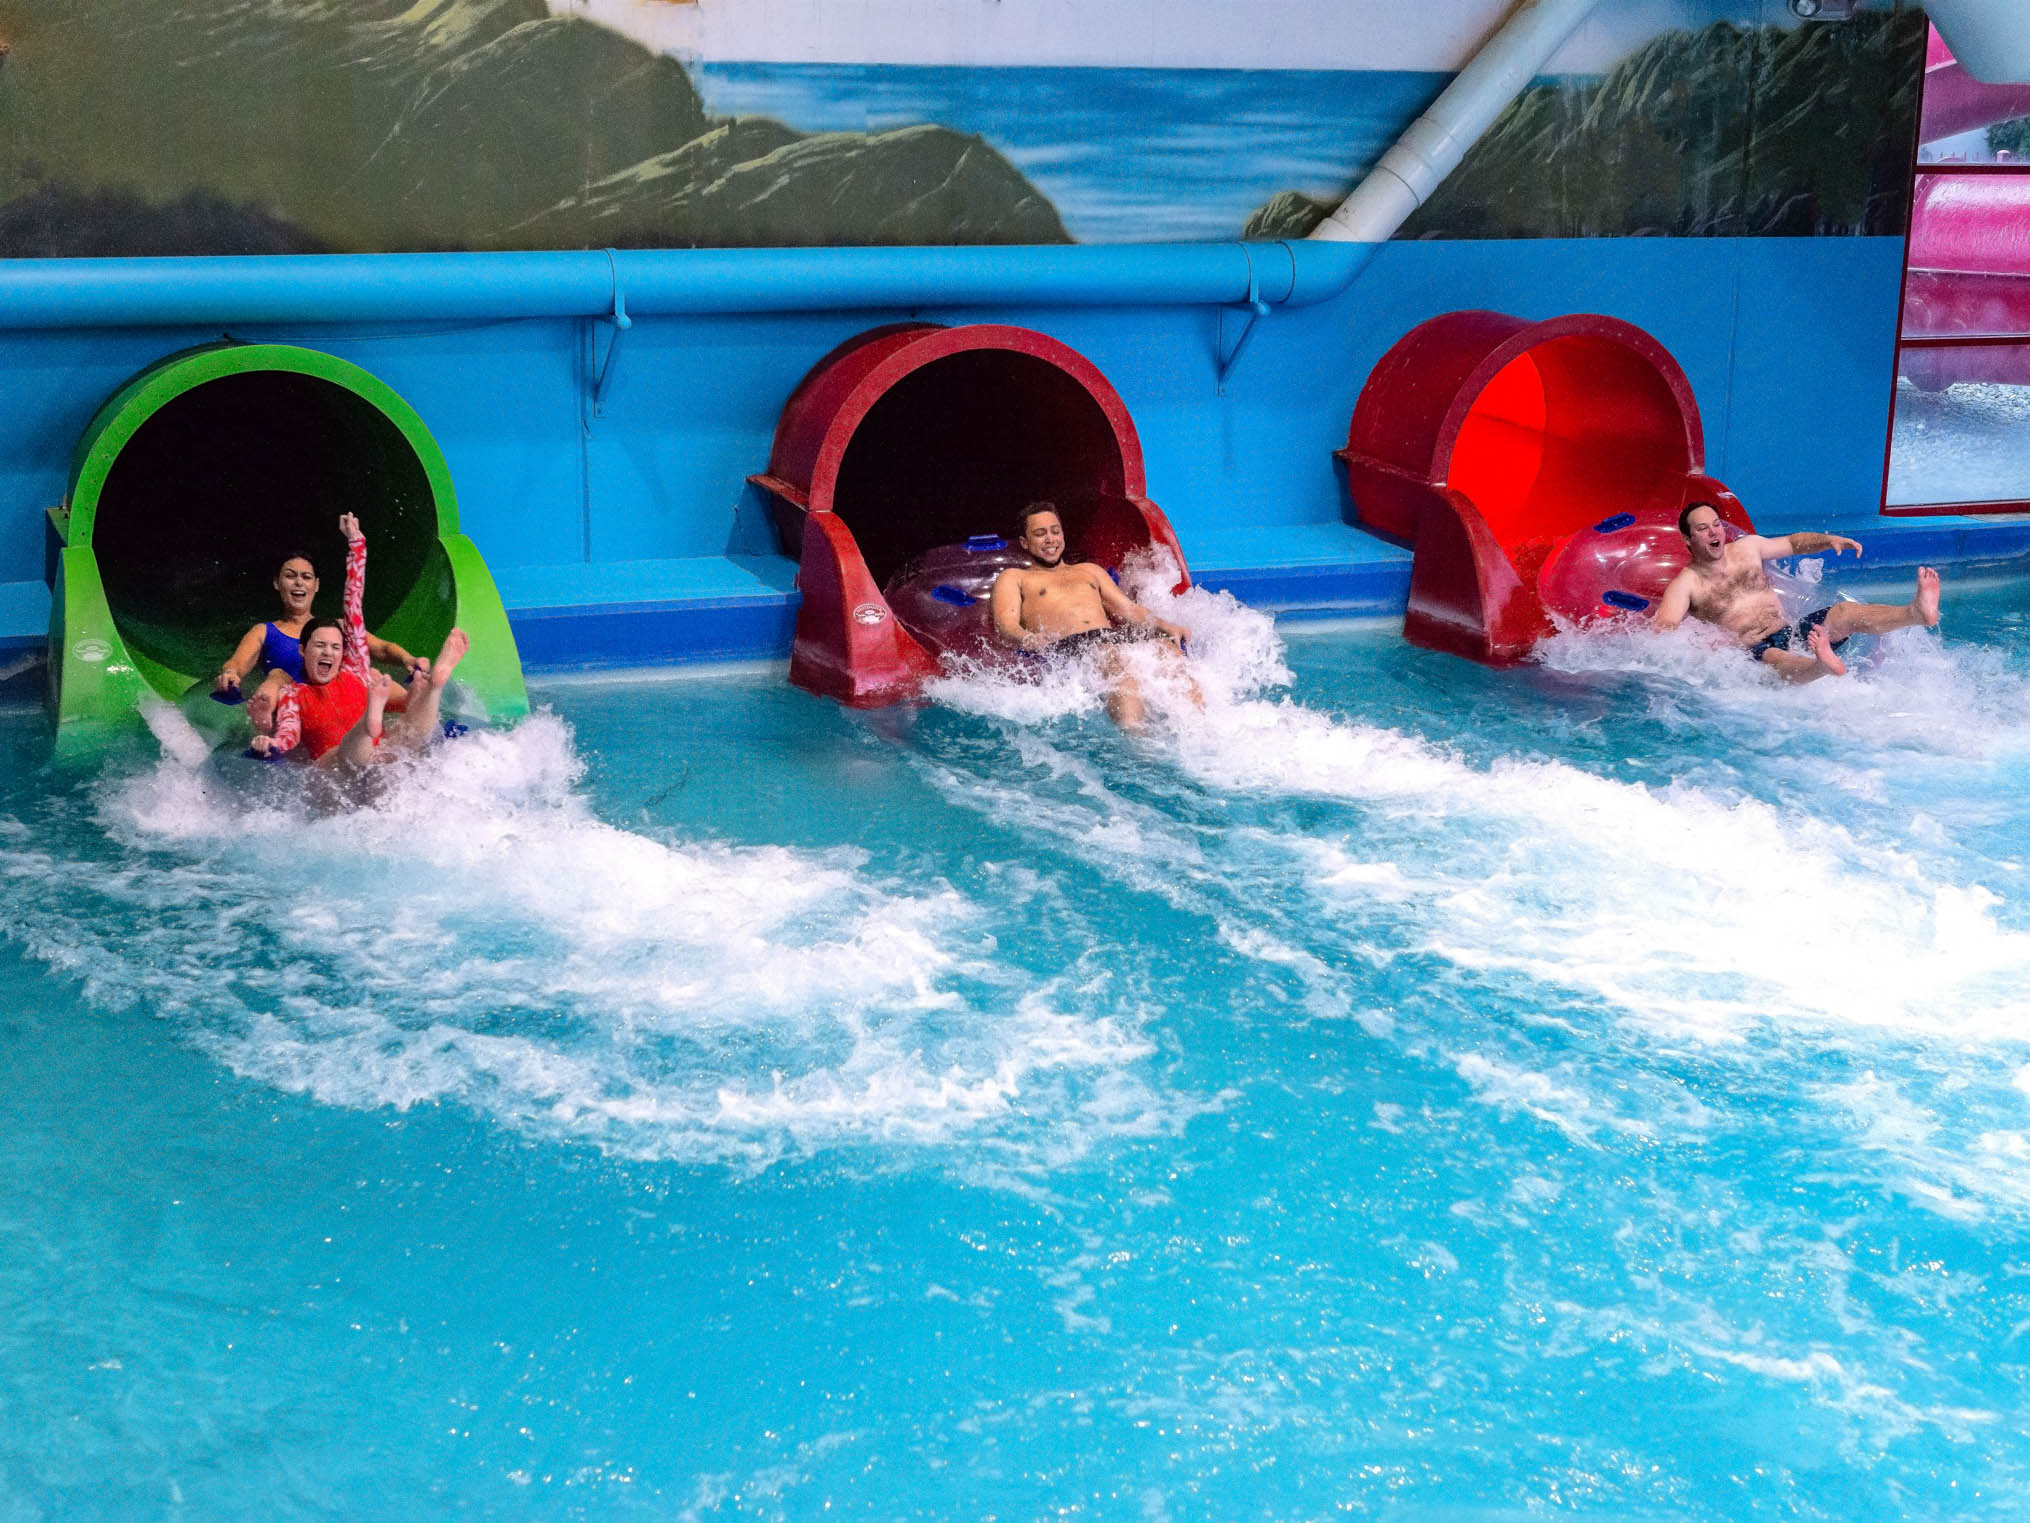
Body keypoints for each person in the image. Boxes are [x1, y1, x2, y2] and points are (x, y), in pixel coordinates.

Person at [250, 512, 468, 768]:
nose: (328, 653)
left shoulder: (356, 672)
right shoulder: (293, 693)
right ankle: (376, 721)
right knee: (350, 755)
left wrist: (357, 545)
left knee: (405, 735)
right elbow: (289, 731)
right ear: (302, 650)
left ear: (344, 652)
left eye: (335, 647)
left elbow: (353, 604)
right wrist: (275, 743)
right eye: (320, 646)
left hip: (367, 769)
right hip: (337, 768)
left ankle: (431, 688)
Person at [1653, 501, 1941, 684]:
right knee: (1776, 658)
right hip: (1752, 650)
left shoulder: (1748, 548)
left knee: (1842, 613)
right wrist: (1708, 645)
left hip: (1788, 631)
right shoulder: (1685, 584)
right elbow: (1663, 634)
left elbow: (1794, 543)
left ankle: (1914, 612)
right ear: (1688, 539)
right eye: (1702, 529)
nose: (1714, 533)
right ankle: (1820, 666)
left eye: (1716, 525)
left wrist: (1828, 540)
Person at [989, 501, 1201, 728]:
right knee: (1113, 661)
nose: (1050, 539)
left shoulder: (1089, 570)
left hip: (1107, 638)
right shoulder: (1015, 577)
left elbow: (1129, 610)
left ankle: (1200, 728)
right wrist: (1028, 639)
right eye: (1040, 534)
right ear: (1025, 542)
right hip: (1069, 646)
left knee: (1166, 650)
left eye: (1055, 531)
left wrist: (1167, 627)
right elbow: (1006, 624)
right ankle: (1138, 744)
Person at [213, 534, 427, 732]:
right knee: (277, 678)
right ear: (277, 583)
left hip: (344, 702)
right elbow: (237, 663)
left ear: (316, 585)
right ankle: (267, 730)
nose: (298, 582)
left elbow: (381, 648)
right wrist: (231, 674)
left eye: (306, 577)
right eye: (290, 576)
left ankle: (424, 716)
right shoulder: (264, 631)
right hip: (301, 711)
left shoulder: (337, 628)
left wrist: (407, 658)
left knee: (372, 676)